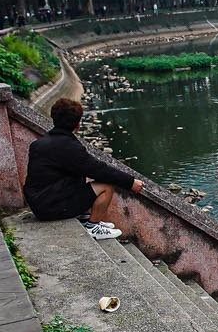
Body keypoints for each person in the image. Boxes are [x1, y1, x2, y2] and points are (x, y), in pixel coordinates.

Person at [23, 97, 144, 235]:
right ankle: (93, 227)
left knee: (79, 177)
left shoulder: (38, 144)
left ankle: (85, 217)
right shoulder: (69, 147)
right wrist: (131, 182)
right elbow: (99, 170)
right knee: (106, 186)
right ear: (78, 125)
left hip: (39, 203)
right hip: (50, 208)